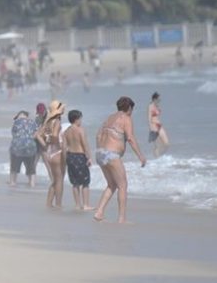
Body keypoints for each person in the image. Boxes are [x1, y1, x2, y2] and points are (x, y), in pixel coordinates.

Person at [93, 96, 147, 224]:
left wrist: (102, 150)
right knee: (123, 185)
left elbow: (98, 135)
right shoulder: (126, 118)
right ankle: (122, 218)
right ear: (129, 108)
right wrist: (140, 156)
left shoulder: (109, 118)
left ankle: (99, 212)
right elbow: (130, 138)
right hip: (111, 154)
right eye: (132, 109)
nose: (132, 112)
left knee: (112, 185)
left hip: (100, 153)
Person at [35, 100, 66, 208]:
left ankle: (49, 203)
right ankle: (58, 204)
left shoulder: (48, 121)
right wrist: (59, 145)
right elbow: (55, 136)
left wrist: (45, 145)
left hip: (49, 153)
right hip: (57, 152)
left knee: (55, 180)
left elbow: (38, 135)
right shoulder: (57, 121)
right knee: (59, 180)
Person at [63, 110, 93, 211]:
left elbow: (64, 147)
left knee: (75, 183)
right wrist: (89, 157)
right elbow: (85, 145)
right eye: (80, 119)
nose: (81, 121)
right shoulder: (80, 130)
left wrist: (65, 159)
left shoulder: (66, 132)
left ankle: (77, 205)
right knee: (85, 182)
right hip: (80, 156)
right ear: (76, 119)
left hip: (70, 156)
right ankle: (85, 205)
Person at [8, 111, 37, 187]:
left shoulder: (16, 122)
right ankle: (32, 183)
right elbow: (35, 134)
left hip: (17, 147)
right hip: (30, 147)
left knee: (14, 167)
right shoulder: (33, 122)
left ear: (20, 115)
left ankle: (12, 182)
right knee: (31, 167)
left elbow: (14, 134)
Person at [148, 92, 169, 158]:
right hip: (154, 126)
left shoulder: (157, 106)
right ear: (155, 99)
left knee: (166, 144)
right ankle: (157, 159)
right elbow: (149, 117)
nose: (160, 100)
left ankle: (159, 156)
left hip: (159, 125)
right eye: (158, 99)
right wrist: (151, 128)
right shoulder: (150, 106)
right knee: (157, 145)